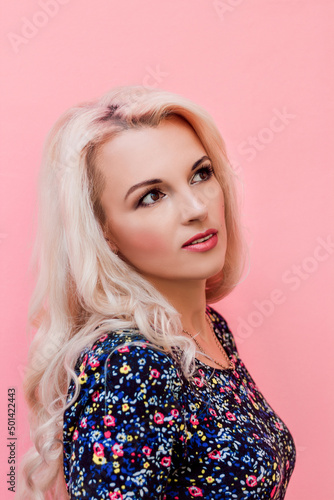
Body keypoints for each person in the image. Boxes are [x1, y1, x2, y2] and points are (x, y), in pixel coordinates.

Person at [18, 85, 296, 499]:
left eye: (201, 174)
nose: (196, 208)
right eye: (152, 196)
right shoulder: (130, 365)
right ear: (105, 234)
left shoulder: (210, 331)